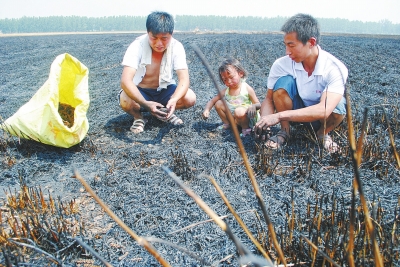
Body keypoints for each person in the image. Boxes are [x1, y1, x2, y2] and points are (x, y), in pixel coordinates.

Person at [254, 13, 348, 152]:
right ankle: (285, 132)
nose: (287, 52)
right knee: (283, 83)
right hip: (295, 110)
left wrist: (279, 116)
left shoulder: (335, 68)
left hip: (323, 117)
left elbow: (324, 109)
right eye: (285, 45)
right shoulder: (281, 65)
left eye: (291, 45)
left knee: (338, 105)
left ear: (311, 42)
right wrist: (265, 122)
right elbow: (269, 99)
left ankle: (323, 134)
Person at [119, 11, 196, 133]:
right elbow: (125, 81)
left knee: (190, 97)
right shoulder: (137, 46)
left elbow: (184, 79)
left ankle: (166, 113)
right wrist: (145, 103)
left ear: (171, 34)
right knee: (125, 99)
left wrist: (174, 99)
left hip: (165, 89)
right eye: (154, 38)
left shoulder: (177, 47)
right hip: (142, 90)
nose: (159, 44)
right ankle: (139, 117)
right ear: (148, 33)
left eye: (164, 39)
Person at [202, 58, 261, 137]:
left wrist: (253, 106)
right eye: (225, 79)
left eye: (231, 77)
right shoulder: (226, 90)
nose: (229, 82)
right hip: (234, 118)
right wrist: (207, 110)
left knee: (239, 111)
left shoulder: (247, 89)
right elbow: (212, 101)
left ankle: (246, 130)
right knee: (218, 103)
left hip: (247, 118)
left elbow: (258, 104)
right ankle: (228, 124)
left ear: (241, 73)